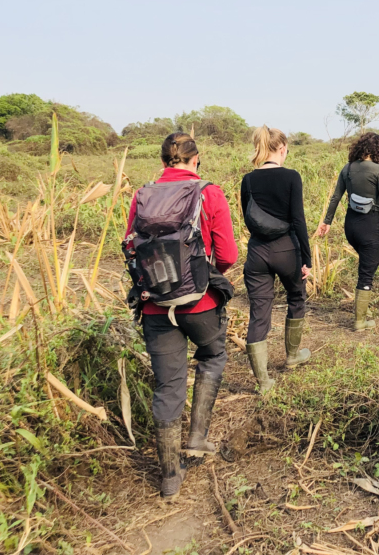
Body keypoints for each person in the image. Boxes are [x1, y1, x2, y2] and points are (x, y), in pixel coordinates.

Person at [124, 132, 238, 500]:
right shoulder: (209, 192)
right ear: (196, 159)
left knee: (167, 385)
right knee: (213, 355)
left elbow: (131, 246)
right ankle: (197, 437)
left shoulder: (141, 195)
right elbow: (229, 255)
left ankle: (170, 477)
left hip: (155, 306)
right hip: (200, 304)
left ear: (162, 160)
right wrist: (204, 272)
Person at [240, 126, 312, 394]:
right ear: (282, 149)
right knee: (296, 298)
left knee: (258, 311)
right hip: (287, 250)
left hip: (257, 252)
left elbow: (250, 218)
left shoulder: (247, 180)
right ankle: (292, 357)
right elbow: (298, 220)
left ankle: (263, 382)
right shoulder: (292, 177)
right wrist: (306, 258)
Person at [316, 132, 379, 331]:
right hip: (369, 226)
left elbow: (336, 197)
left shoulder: (347, 169)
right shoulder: (378, 170)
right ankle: (359, 321)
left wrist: (326, 222)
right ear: (377, 150)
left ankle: (363, 309)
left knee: (367, 265)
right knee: (368, 269)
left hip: (351, 227)